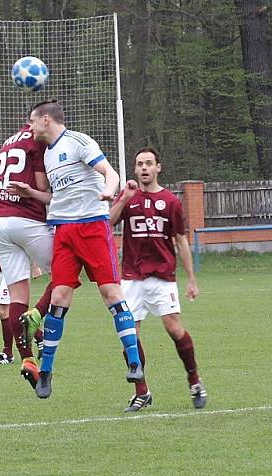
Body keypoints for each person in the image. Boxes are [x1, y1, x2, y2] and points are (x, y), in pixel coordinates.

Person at [26, 99, 143, 399]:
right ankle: (47, 372)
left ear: (47, 120)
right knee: (59, 296)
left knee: (111, 294)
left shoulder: (78, 141)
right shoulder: (49, 155)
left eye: (33, 121)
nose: (30, 127)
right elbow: (59, 196)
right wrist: (32, 194)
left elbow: (110, 172)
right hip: (64, 231)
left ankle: (134, 362)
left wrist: (109, 189)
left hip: (92, 227)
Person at [110, 147, 207, 412]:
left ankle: (194, 380)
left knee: (175, 330)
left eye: (148, 163)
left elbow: (181, 241)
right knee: (129, 336)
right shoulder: (128, 196)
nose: (143, 168)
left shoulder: (171, 202)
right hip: (131, 276)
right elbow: (107, 223)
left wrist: (191, 279)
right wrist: (123, 198)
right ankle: (141, 391)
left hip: (162, 276)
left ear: (158, 168)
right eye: (140, 163)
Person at [0, 121, 55, 383]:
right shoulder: (36, 138)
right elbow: (41, 183)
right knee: (66, 272)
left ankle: (27, 358)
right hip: (26, 219)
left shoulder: (9, 140)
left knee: (17, 297)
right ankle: (37, 317)